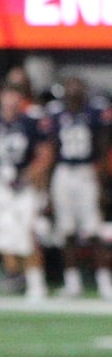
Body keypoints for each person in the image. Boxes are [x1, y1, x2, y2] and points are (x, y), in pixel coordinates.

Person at [0, 80, 55, 302]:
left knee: (25, 236)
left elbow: (45, 155)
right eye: (8, 94)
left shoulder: (32, 119)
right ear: (1, 96)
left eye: (16, 95)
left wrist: (26, 175)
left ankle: (37, 284)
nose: (11, 100)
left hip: (22, 186)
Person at [46, 77, 112, 298]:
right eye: (69, 86)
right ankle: (73, 283)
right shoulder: (56, 113)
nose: (72, 90)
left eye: (77, 86)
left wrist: (100, 178)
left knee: (94, 230)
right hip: (64, 173)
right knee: (66, 231)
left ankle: (104, 283)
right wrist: (47, 185)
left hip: (86, 171)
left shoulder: (94, 110)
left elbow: (103, 146)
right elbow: (52, 149)